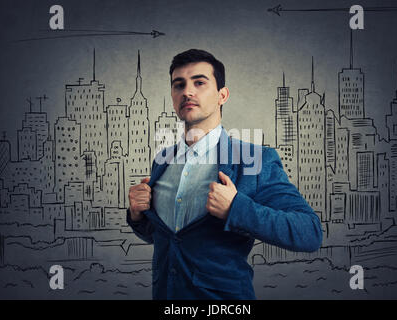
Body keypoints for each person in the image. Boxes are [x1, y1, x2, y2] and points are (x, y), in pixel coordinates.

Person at [126, 49, 322, 299]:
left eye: (199, 82)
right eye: (179, 85)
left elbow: (309, 232)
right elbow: (167, 238)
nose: (187, 91)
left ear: (222, 95)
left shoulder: (255, 161)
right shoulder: (162, 160)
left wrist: (235, 209)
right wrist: (138, 216)